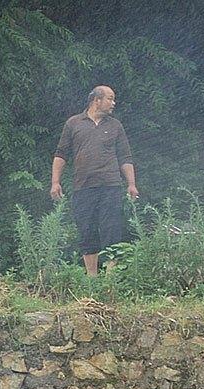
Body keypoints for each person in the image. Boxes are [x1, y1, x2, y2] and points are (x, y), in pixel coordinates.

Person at [50, 85, 139, 276]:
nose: (113, 103)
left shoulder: (115, 125)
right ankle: (92, 278)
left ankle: (110, 278)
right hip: (83, 187)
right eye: (110, 98)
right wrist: (55, 182)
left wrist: (131, 184)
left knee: (111, 230)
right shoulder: (73, 123)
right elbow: (61, 154)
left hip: (111, 186)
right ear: (96, 100)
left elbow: (125, 157)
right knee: (86, 230)